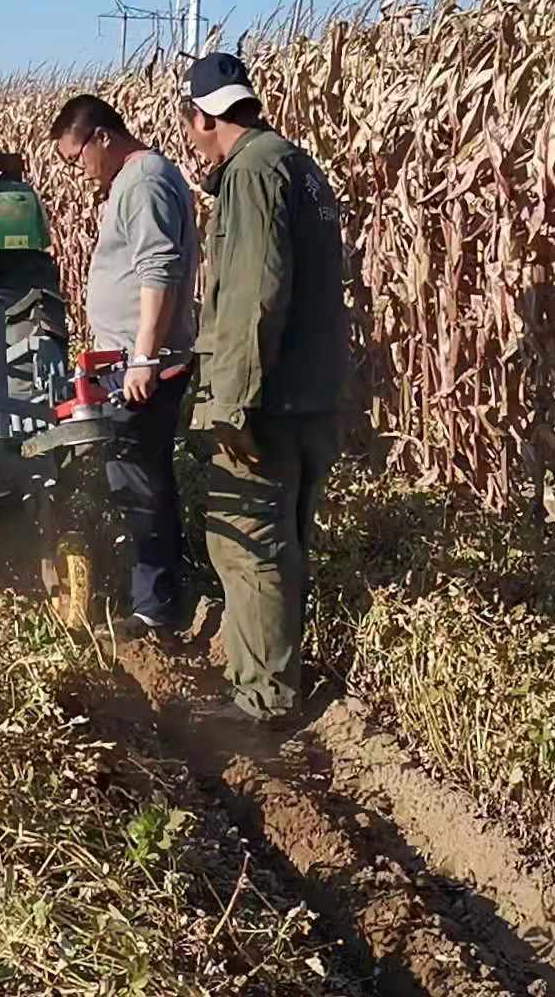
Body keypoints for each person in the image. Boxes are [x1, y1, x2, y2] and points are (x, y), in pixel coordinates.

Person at [181, 52, 348, 726]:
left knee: (247, 544)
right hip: (313, 392)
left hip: (268, 399)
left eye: (192, 123)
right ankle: (280, 675)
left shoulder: (250, 172)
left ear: (202, 117)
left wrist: (231, 406)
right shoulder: (298, 164)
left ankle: (263, 699)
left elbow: (254, 296)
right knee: (286, 540)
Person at [50, 94, 199, 639]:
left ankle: (154, 607)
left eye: (76, 158)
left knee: (139, 483)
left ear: (102, 138)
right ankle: (154, 594)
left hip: (142, 371)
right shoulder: (136, 181)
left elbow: (159, 269)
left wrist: (142, 359)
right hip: (129, 365)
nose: (78, 170)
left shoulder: (143, 183)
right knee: (139, 477)